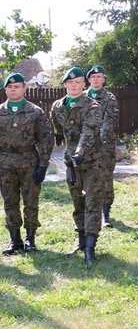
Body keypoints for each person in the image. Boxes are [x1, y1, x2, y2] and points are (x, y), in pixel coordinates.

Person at [51, 67, 105, 265]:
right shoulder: (57, 106)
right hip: (71, 162)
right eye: (70, 82)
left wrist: (80, 152)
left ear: (84, 85)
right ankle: (81, 241)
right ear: (65, 84)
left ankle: (91, 247)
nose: (74, 85)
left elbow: (89, 132)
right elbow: (59, 130)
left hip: (91, 159)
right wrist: (68, 151)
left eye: (78, 82)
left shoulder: (93, 106)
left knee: (92, 201)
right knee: (77, 201)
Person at [0, 73, 53, 255]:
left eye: (17, 86)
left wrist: (43, 165)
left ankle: (31, 239)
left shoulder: (36, 112)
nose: (13, 90)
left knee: (31, 202)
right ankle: (15, 240)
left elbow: (45, 139)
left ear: (24, 89)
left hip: (29, 163)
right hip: (5, 165)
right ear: (6, 89)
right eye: (10, 87)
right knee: (9, 202)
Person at [85, 66, 119, 227]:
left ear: (103, 79)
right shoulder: (82, 97)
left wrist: (96, 139)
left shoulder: (110, 98)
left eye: (99, 77)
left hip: (105, 146)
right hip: (85, 147)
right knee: (86, 178)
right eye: (93, 77)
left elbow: (109, 122)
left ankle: (105, 214)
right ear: (89, 79)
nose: (96, 79)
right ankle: (89, 211)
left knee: (106, 178)